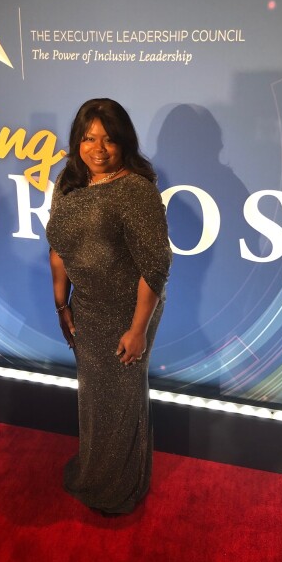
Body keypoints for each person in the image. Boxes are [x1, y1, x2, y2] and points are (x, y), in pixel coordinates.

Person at [46, 98, 172, 515]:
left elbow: (154, 268)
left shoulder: (136, 191)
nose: (98, 148)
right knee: (93, 396)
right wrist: (62, 305)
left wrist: (138, 330)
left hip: (128, 310)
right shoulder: (68, 181)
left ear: (124, 143)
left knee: (121, 398)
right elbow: (58, 247)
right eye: (88, 138)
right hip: (87, 306)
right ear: (77, 141)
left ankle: (120, 487)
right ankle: (95, 468)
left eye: (108, 139)